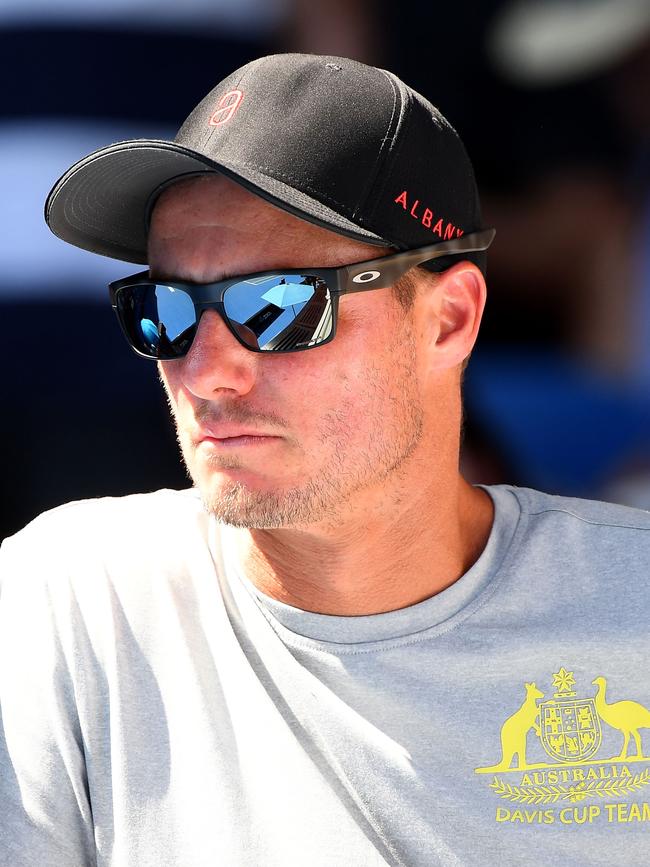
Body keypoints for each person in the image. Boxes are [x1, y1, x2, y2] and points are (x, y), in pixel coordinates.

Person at [2, 53, 650, 867]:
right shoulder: (65, 605)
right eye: (162, 309)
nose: (206, 370)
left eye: (279, 306)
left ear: (448, 320)